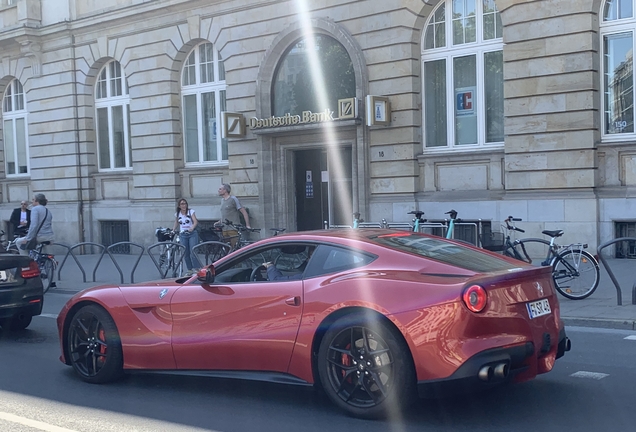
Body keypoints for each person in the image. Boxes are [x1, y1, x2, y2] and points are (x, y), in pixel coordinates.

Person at [172, 198, 201, 274]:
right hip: (183, 234)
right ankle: (190, 269)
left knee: (193, 251)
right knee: (185, 252)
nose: (184, 205)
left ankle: (197, 269)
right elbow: (176, 222)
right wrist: (173, 230)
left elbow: (195, 221)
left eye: (185, 203)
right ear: (179, 206)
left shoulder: (191, 211)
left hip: (192, 234)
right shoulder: (178, 214)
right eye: (182, 204)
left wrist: (192, 227)